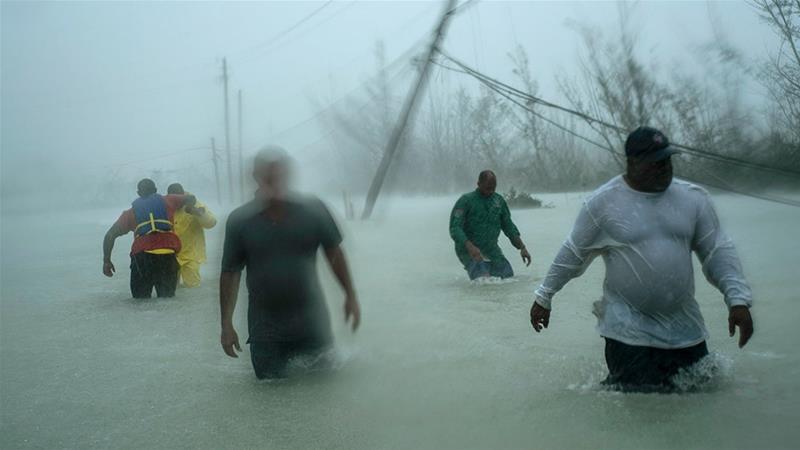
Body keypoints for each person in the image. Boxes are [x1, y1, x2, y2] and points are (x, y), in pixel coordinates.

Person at [529, 126, 754, 392]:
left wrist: (737, 300)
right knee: (641, 412)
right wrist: (544, 297)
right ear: (632, 162)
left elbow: (717, 251)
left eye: (667, 160)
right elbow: (572, 254)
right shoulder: (603, 204)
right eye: (655, 163)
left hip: (685, 331)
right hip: (627, 334)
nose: (664, 168)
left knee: (700, 404)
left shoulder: (693, 198)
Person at [219, 146, 361, 379]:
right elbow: (230, 273)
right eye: (268, 176)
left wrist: (350, 295)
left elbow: (334, 253)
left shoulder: (313, 211)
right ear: (256, 178)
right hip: (265, 331)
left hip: (312, 324)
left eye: (279, 176)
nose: (274, 181)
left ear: (288, 177)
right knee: (270, 398)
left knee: (324, 396)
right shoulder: (240, 221)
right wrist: (226, 324)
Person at [102, 178, 196, 298]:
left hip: (142, 259)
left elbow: (109, 236)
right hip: (167, 258)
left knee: (140, 302)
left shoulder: (130, 214)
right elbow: (191, 198)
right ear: (156, 190)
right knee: (167, 301)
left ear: (138, 193)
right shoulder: (169, 200)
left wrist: (106, 261)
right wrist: (190, 207)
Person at [449, 170, 531, 280]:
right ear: (478, 184)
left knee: (508, 277)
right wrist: (470, 246)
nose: (491, 191)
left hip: (491, 250)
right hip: (469, 250)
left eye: (493, 188)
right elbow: (455, 228)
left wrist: (522, 247)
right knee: (483, 282)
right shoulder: (466, 201)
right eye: (488, 188)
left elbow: (509, 226)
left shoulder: (498, 201)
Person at [166, 183, 217, 288]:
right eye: (174, 199)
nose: (176, 202)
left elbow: (211, 223)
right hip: (171, 255)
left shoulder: (195, 204)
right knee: (170, 289)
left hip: (191, 255)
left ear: (183, 195)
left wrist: (198, 213)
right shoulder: (166, 207)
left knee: (192, 288)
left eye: (179, 199)